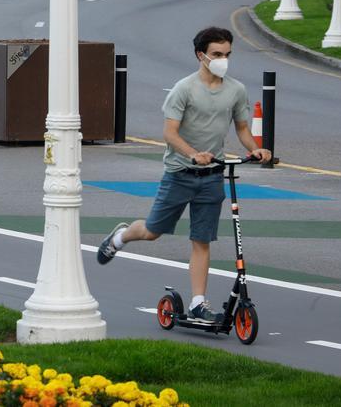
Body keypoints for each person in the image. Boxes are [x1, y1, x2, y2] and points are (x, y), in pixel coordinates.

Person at [96, 27, 272, 323]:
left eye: (227, 54)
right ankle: (120, 237)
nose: (223, 60)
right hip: (180, 173)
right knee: (153, 231)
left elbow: (242, 128)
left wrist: (257, 149)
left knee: (201, 240)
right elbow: (169, 133)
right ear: (200, 55)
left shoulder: (236, 90)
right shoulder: (184, 89)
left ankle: (198, 303)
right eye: (217, 54)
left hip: (212, 175)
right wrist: (192, 153)